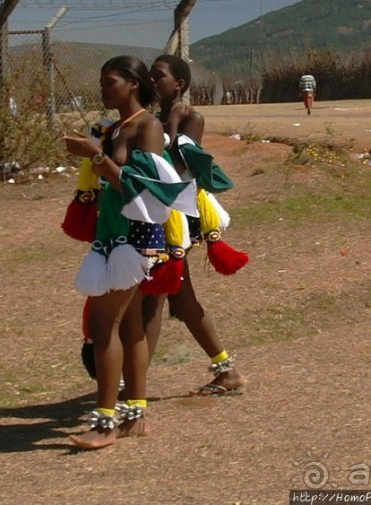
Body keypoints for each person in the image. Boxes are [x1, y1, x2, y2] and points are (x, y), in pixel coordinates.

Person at [62, 55, 197, 450]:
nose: (103, 90)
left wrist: (96, 156)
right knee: (130, 326)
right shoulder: (117, 127)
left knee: (105, 326)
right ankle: (135, 416)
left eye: (110, 82)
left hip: (133, 239)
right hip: (116, 235)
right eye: (103, 83)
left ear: (133, 86)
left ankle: (104, 423)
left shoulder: (148, 127)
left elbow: (143, 190)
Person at [146, 54, 248, 397]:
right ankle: (226, 370)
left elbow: (176, 163)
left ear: (180, 84)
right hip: (159, 213)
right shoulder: (152, 118)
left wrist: (171, 123)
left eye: (159, 76)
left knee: (154, 298)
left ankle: (131, 387)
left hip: (178, 218)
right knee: (181, 299)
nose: (152, 80)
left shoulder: (191, 117)